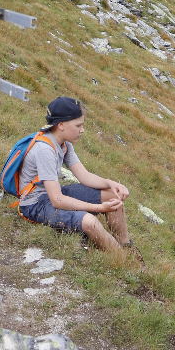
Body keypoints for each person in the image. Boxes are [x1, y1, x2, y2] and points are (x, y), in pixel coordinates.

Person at [17, 96, 132, 251]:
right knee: (90, 222)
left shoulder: (64, 144)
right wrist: (99, 208)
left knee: (113, 196)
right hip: (35, 205)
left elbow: (84, 176)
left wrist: (110, 183)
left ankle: (126, 246)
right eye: (78, 125)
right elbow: (57, 200)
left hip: (52, 194)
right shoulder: (44, 150)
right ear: (61, 125)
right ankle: (121, 258)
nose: (82, 130)